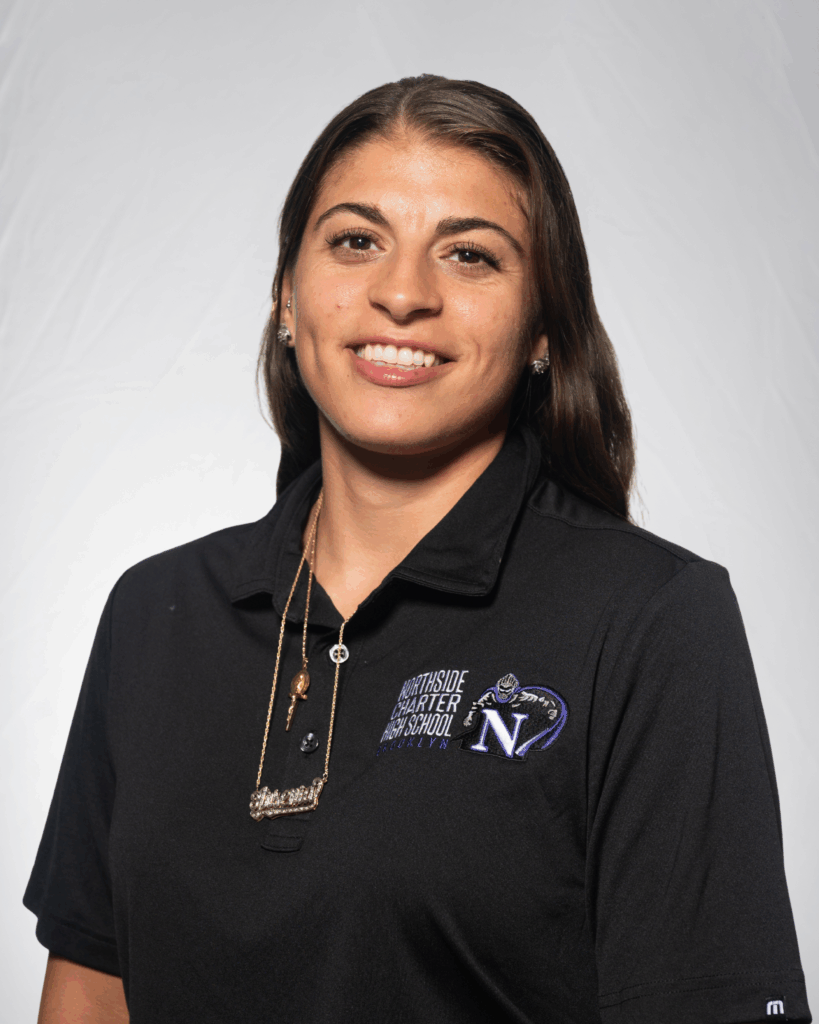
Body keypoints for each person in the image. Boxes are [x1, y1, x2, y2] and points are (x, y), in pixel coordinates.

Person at [25, 74, 811, 1024]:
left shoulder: (648, 619)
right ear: (286, 295)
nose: (401, 294)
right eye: (356, 241)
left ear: (543, 329)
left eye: (469, 255)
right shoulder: (156, 612)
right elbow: (91, 990)